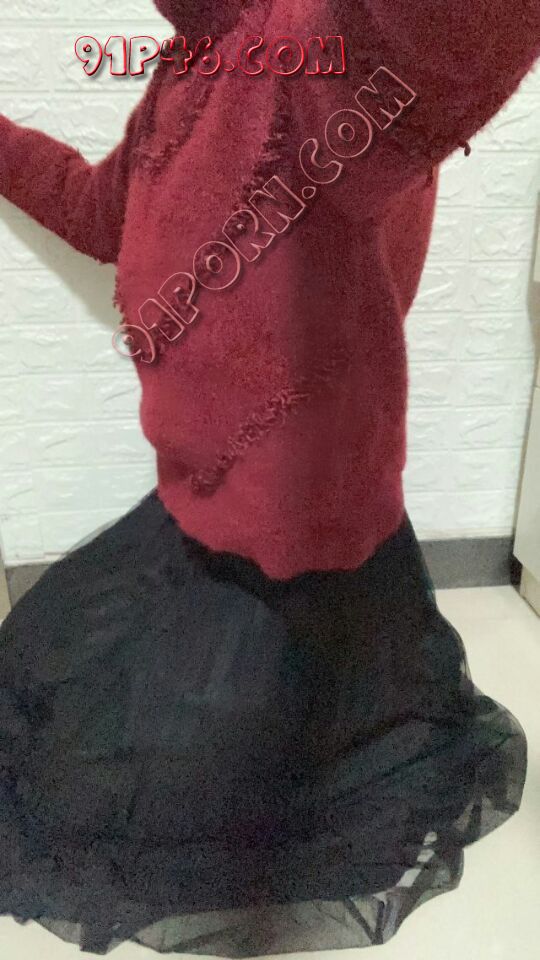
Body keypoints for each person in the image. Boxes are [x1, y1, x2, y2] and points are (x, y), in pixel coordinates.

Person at [0, 1, 539, 955]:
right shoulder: (191, 67)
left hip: (299, 540)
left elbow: (463, 28)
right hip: (200, 504)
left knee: (202, 822)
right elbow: (98, 211)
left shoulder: (325, 55)